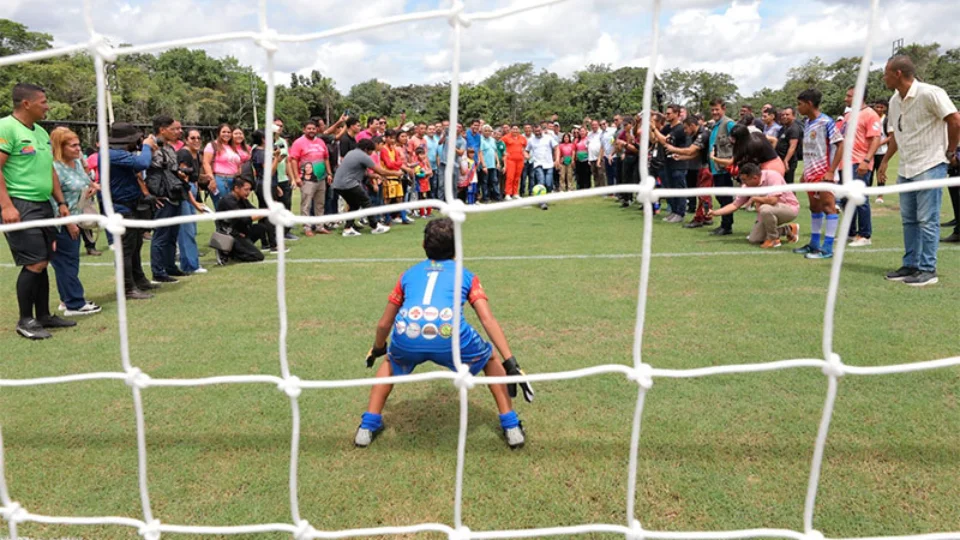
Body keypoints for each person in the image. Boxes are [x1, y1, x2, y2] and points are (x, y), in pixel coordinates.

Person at [355, 217, 533, 449]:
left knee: (390, 362)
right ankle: (511, 426)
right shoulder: (466, 275)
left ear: (423, 246)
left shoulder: (408, 274)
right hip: (451, 337)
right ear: (458, 248)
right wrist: (511, 361)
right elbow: (487, 319)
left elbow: (384, 323)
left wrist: (379, 347)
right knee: (490, 358)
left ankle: (367, 426)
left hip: (408, 333)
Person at [0, 83, 77, 338]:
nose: (47, 106)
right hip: (19, 204)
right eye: (43, 102)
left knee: (44, 260)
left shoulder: (42, 133)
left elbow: (50, 170)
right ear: (26, 104)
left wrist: (62, 203)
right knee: (35, 261)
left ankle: (43, 315)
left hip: (44, 204)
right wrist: (7, 206)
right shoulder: (6, 128)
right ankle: (25, 320)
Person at [878, 55, 960, 286]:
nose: (883, 77)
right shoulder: (895, 100)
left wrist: (951, 151)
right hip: (907, 166)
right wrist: (885, 161)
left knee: (927, 219)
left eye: (885, 73)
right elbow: (897, 135)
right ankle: (911, 265)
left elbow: (955, 119)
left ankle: (927, 269)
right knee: (909, 219)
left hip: (930, 164)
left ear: (898, 74)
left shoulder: (930, 93)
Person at [49, 127, 102, 317]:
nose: (78, 149)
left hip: (77, 216)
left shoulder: (77, 164)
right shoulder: (54, 168)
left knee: (70, 261)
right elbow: (53, 199)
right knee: (66, 262)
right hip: (61, 221)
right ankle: (74, 303)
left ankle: (67, 299)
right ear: (60, 147)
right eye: (73, 145)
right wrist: (68, 222)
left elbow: (86, 182)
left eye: (79, 144)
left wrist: (92, 188)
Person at [106, 123, 157, 300]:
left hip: (130, 204)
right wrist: (146, 146)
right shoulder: (112, 154)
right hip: (119, 206)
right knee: (126, 248)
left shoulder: (120, 154)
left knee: (135, 244)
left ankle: (138, 279)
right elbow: (142, 163)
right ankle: (127, 288)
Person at [792, 89, 844, 260]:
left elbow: (840, 145)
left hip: (824, 173)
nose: (798, 107)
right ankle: (814, 244)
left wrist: (830, 171)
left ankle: (827, 247)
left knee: (829, 207)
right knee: (814, 207)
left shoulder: (826, 122)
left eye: (800, 104)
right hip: (811, 173)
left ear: (809, 104)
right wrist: (805, 172)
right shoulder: (807, 122)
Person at [708, 163, 800, 249]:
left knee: (764, 208)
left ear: (755, 178)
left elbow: (773, 200)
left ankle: (773, 240)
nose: (743, 183)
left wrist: (755, 199)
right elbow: (735, 205)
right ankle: (788, 229)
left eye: (745, 180)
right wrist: (715, 213)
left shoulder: (773, 176)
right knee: (754, 239)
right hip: (768, 213)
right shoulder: (747, 186)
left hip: (789, 208)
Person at [145, 115, 187, 283]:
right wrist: (150, 195)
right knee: (161, 235)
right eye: (174, 129)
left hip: (174, 193)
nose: (178, 132)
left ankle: (170, 266)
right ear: (162, 129)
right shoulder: (150, 146)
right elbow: (143, 170)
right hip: (162, 194)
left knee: (172, 234)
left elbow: (172, 169)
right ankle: (158, 271)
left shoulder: (169, 147)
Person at [842, 86, 883, 248]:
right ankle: (851, 233)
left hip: (859, 161)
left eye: (849, 96)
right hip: (845, 163)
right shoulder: (848, 115)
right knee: (845, 199)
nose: (846, 99)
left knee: (860, 199)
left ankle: (865, 235)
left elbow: (875, 139)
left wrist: (866, 161)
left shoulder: (870, 115)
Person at [333, 138, 401, 236]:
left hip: (338, 185)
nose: (371, 153)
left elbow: (358, 171)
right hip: (349, 184)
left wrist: (373, 176)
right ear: (366, 149)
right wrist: (396, 173)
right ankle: (375, 226)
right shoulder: (363, 156)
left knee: (354, 205)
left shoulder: (351, 153)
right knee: (366, 202)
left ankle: (348, 228)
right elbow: (381, 171)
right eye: (371, 151)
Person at [214, 177, 276, 264]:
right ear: (236, 188)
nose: (248, 192)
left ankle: (242, 248)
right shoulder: (228, 201)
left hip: (240, 232)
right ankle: (228, 252)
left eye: (250, 190)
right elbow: (244, 220)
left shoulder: (242, 200)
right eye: (246, 189)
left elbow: (254, 210)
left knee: (260, 227)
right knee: (258, 257)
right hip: (229, 234)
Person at [289, 120, 333, 236]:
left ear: (317, 130)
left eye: (313, 128)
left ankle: (320, 226)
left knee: (320, 204)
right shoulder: (298, 142)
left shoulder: (321, 142)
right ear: (304, 129)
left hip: (321, 178)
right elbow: (293, 160)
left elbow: (326, 158)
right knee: (306, 204)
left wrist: (329, 173)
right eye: (309, 128)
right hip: (306, 178)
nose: (311, 131)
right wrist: (296, 177)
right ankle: (307, 228)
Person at [176, 129, 210, 275]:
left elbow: (193, 177)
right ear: (186, 140)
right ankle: (190, 265)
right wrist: (194, 202)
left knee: (191, 229)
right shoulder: (184, 154)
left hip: (191, 190)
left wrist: (205, 177)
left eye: (198, 137)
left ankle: (189, 263)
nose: (196, 140)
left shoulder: (196, 154)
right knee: (186, 230)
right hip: (185, 193)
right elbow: (183, 179)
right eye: (193, 138)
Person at [652, 104, 688, 222]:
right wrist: (651, 128)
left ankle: (680, 213)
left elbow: (665, 141)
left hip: (678, 163)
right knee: (669, 187)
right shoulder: (667, 127)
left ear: (677, 114)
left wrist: (654, 129)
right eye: (666, 113)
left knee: (679, 187)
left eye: (669, 113)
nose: (666, 115)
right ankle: (674, 211)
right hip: (667, 161)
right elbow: (655, 139)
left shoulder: (679, 128)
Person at [707, 99, 738, 235]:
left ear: (723, 109)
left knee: (725, 197)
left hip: (725, 167)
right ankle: (724, 224)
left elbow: (740, 139)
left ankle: (727, 226)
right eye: (712, 110)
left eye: (717, 109)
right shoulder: (715, 125)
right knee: (720, 196)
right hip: (716, 167)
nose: (714, 112)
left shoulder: (729, 123)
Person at [203, 124, 242, 208]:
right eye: (223, 132)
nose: (226, 134)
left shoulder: (232, 147)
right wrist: (212, 180)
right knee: (222, 207)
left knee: (234, 208)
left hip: (234, 180)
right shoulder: (212, 145)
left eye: (229, 132)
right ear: (218, 133)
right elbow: (206, 163)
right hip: (220, 180)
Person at [525, 124, 559, 210]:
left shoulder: (548, 138)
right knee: (541, 182)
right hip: (538, 164)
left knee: (549, 184)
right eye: (536, 131)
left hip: (549, 164)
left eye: (539, 131)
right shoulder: (531, 140)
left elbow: (556, 148)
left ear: (541, 130)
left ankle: (545, 198)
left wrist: (557, 159)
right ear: (533, 131)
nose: (538, 132)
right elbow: (526, 151)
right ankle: (542, 202)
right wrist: (527, 156)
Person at [776, 107, 803, 184]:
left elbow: (792, 146)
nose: (784, 116)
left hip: (789, 162)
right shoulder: (784, 128)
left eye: (787, 115)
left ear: (793, 116)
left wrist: (786, 161)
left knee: (788, 185)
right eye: (783, 115)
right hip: (781, 161)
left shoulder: (794, 128)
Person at [871, 101, 890, 204]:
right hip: (870, 152)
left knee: (881, 173)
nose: (878, 109)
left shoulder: (886, 120)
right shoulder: (871, 118)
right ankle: (866, 193)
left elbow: (891, 136)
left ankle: (880, 195)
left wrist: (879, 143)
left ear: (885, 108)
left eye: (881, 107)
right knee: (869, 173)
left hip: (882, 151)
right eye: (877, 106)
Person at [501, 125, 527, 200]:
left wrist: (525, 154)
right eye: (513, 129)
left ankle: (515, 193)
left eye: (517, 129)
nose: (515, 130)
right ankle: (508, 194)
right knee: (510, 177)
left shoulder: (523, 138)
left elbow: (524, 148)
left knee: (517, 177)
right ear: (511, 130)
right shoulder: (506, 137)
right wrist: (504, 155)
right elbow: (502, 147)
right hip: (510, 160)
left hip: (520, 160)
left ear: (519, 130)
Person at [478, 124, 501, 202]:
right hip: (485, 165)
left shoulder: (492, 139)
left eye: (489, 131)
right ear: (482, 131)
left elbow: (495, 151)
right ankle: (486, 198)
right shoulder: (480, 139)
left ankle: (497, 197)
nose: (487, 132)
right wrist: (483, 165)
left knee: (494, 181)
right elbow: (480, 152)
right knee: (485, 182)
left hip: (493, 165)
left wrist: (497, 162)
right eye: (485, 131)